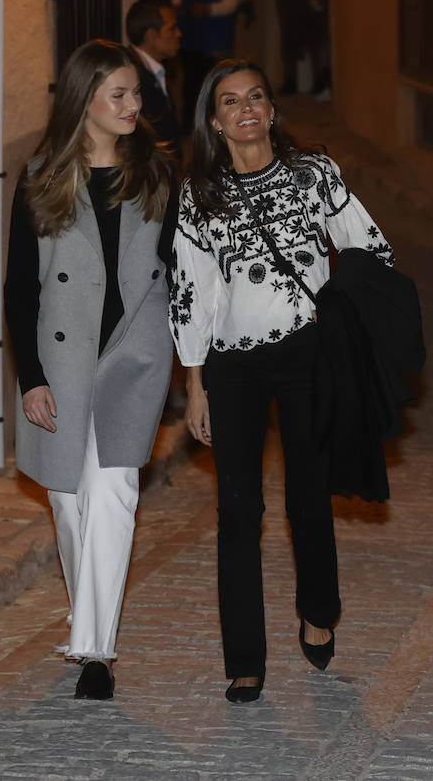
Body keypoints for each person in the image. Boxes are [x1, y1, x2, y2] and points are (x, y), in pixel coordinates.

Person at [170, 59, 393, 703]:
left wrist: (345, 309)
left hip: (307, 356)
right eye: (230, 102)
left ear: (271, 109)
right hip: (232, 363)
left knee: (308, 497)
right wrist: (195, 383)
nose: (245, 109)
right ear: (214, 121)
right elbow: (192, 292)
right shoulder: (199, 195)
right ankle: (244, 658)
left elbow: (368, 244)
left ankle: (318, 607)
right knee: (238, 510)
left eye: (256, 97)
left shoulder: (311, 175)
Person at [4, 40, 176, 701]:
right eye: (121, 95)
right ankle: (88, 622)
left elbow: (181, 274)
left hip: (133, 356)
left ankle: (97, 651)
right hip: (62, 362)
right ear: (87, 102)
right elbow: (21, 288)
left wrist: (190, 368)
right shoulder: (43, 176)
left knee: (113, 493)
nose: (135, 105)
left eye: (136, 94)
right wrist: (32, 380)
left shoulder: (157, 175)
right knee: (69, 503)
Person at [172, 0, 238, 135]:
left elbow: (231, 4)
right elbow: (175, 2)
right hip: (190, 42)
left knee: (216, 86)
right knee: (190, 85)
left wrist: (208, 9)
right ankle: (189, 125)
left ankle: (216, 126)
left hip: (215, 43)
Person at [125, 0, 183, 149]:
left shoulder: (152, 68)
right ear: (151, 35)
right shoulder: (132, 74)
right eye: (172, 29)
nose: (178, 34)